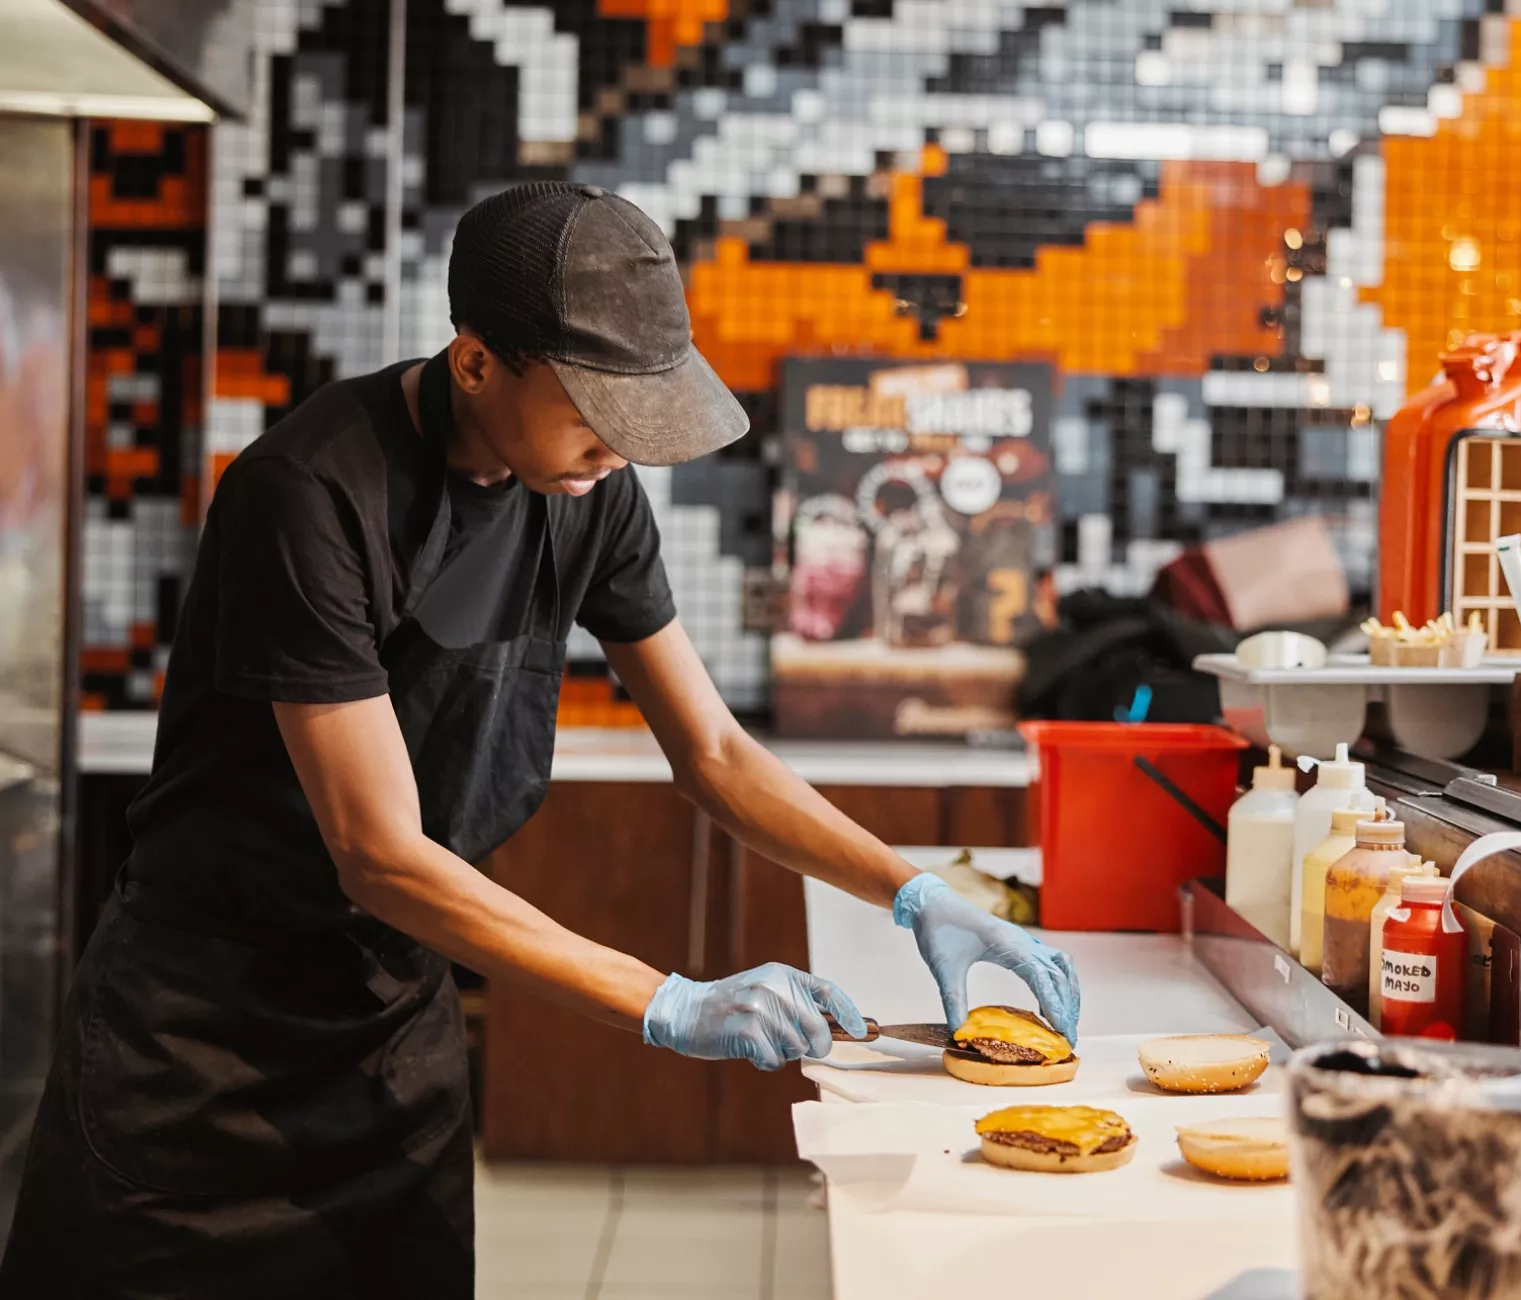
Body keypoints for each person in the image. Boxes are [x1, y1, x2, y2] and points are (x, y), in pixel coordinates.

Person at [0, 182, 1079, 1298]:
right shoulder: (311, 493)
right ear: (475, 362)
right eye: (595, 410)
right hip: (197, 1040)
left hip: (385, 1025)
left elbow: (711, 751)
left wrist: (913, 893)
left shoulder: (586, 492)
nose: (621, 449)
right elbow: (378, 852)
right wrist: (669, 1001)